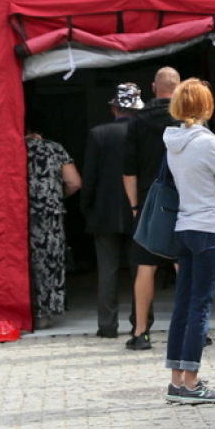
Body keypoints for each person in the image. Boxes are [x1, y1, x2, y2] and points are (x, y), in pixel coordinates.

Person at [162, 78, 215, 404]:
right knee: (201, 306)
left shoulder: (172, 141)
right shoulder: (207, 142)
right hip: (209, 226)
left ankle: (176, 381)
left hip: (183, 225)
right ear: (205, 106)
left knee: (183, 304)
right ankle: (193, 383)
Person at [122, 66, 181, 350]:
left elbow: (129, 170)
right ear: (179, 87)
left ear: (154, 87)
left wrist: (135, 206)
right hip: (184, 201)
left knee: (145, 267)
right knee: (185, 265)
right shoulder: (190, 120)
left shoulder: (137, 121)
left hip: (148, 202)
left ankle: (140, 332)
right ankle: (193, 328)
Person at [82, 83, 144, 339]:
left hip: (105, 212)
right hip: (138, 210)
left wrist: (87, 208)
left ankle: (107, 326)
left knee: (107, 271)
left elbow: (90, 177)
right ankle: (141, 323)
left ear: (113, 107)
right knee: (141, 269)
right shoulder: (144, 132)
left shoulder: (98, 134)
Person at [25, 116, 81, 331]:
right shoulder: (54, 149)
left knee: (24, 262)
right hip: (50, 214)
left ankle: (25, 311)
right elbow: (74, 182)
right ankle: (45, 313)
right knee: (49, 262)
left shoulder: (11, 148)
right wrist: (56, 196)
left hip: (20, 215)